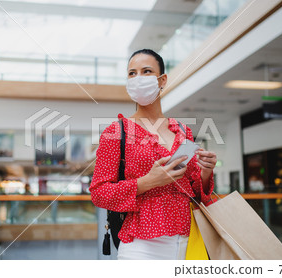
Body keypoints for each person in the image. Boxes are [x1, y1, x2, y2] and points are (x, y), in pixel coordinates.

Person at [90, 49, 217, 260]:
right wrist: (147, 181)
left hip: (190, 238)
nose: (138, 78)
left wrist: (205, 172)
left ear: (162, 80)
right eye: (132, 73)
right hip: (141, 245)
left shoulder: (183, 131)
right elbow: (99, 192)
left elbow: (195, 192)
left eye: (146, 71)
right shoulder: (116, 132)